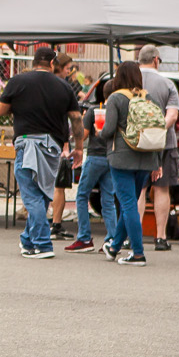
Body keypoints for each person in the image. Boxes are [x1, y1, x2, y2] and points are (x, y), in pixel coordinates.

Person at [0, 46, 81, 259]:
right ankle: (28, 240)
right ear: (52, 63)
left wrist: (18, 105)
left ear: (34, 62)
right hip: (52, 146)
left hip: (26, 143)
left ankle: (42, 244)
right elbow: (76, 119)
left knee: (32, 196)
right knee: (41, 195)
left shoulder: (18, 81)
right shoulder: (64, 86)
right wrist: (79, 147)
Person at [96, 61, 162, 267]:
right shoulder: (146, 96)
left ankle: (138, 253)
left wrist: (99, 134)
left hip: (122, 157)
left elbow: (108, 130)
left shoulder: (116, 98)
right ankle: (115, 246)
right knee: (131, 202)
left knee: (127, 204)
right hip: (146, 156)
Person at [136, 45, 179, 252]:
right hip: (165, 142)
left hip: (134, 142)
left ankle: (132, 235)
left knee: (139, 189)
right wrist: (156, 132)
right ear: (156, 60)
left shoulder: (131, 82)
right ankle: (160, 237)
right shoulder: (167, 84)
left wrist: (144, 133)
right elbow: (172, 116)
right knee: (162, 189)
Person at [67, 80, 120, 254]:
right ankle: (112, 237)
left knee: (82, 195)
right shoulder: (118, 111)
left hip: (95, 156)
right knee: (108, 199)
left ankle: (84, 237)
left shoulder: (94, 110)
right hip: (111, 158)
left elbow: (84, 134)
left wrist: (82, 122)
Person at [47, 53, 83, 239]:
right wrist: (74, 145)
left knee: (46, 184)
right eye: (67, 67)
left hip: (44, 139)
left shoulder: (43, 85)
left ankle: (45, 224)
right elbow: (73, 117)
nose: (69, 71)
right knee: (58, 185)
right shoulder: (63, 87)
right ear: (57, 66)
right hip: (58, 141)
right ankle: (56, 224)